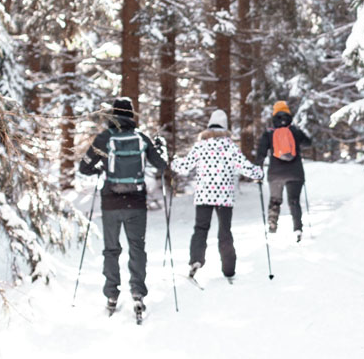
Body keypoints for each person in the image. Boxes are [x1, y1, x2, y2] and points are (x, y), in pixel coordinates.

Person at [78, 97, 168, 317]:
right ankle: (138, 293)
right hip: (136, 202)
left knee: (111, 249)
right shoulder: (141, 138)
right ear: (131, 115)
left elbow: (84, 168)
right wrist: (161, 149)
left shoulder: (104, 138)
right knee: (137, 247)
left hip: (111, 201)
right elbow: (162, 165)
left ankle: (111, 294)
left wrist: (100, 166)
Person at [173, 109, 263, 283]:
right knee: (224, 231)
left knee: (200, 228)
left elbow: (184, 166)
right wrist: (258, 172)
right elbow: (245, 167)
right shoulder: (229, 146)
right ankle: (229, 269)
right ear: (225, 127)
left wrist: (173, 162)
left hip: (204, 195)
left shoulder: (201, 145)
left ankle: (196, 260)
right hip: (224, 196)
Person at [254, 100, 313, 241]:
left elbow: (261, 154)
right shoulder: (294, 131)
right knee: (294, 201)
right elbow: (308, 143)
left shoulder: (269, 133)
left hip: (275, 173)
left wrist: (258, 173)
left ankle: (272, 226)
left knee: (275, 200)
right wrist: (297, 132)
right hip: (295, 172)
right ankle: (298, 229)